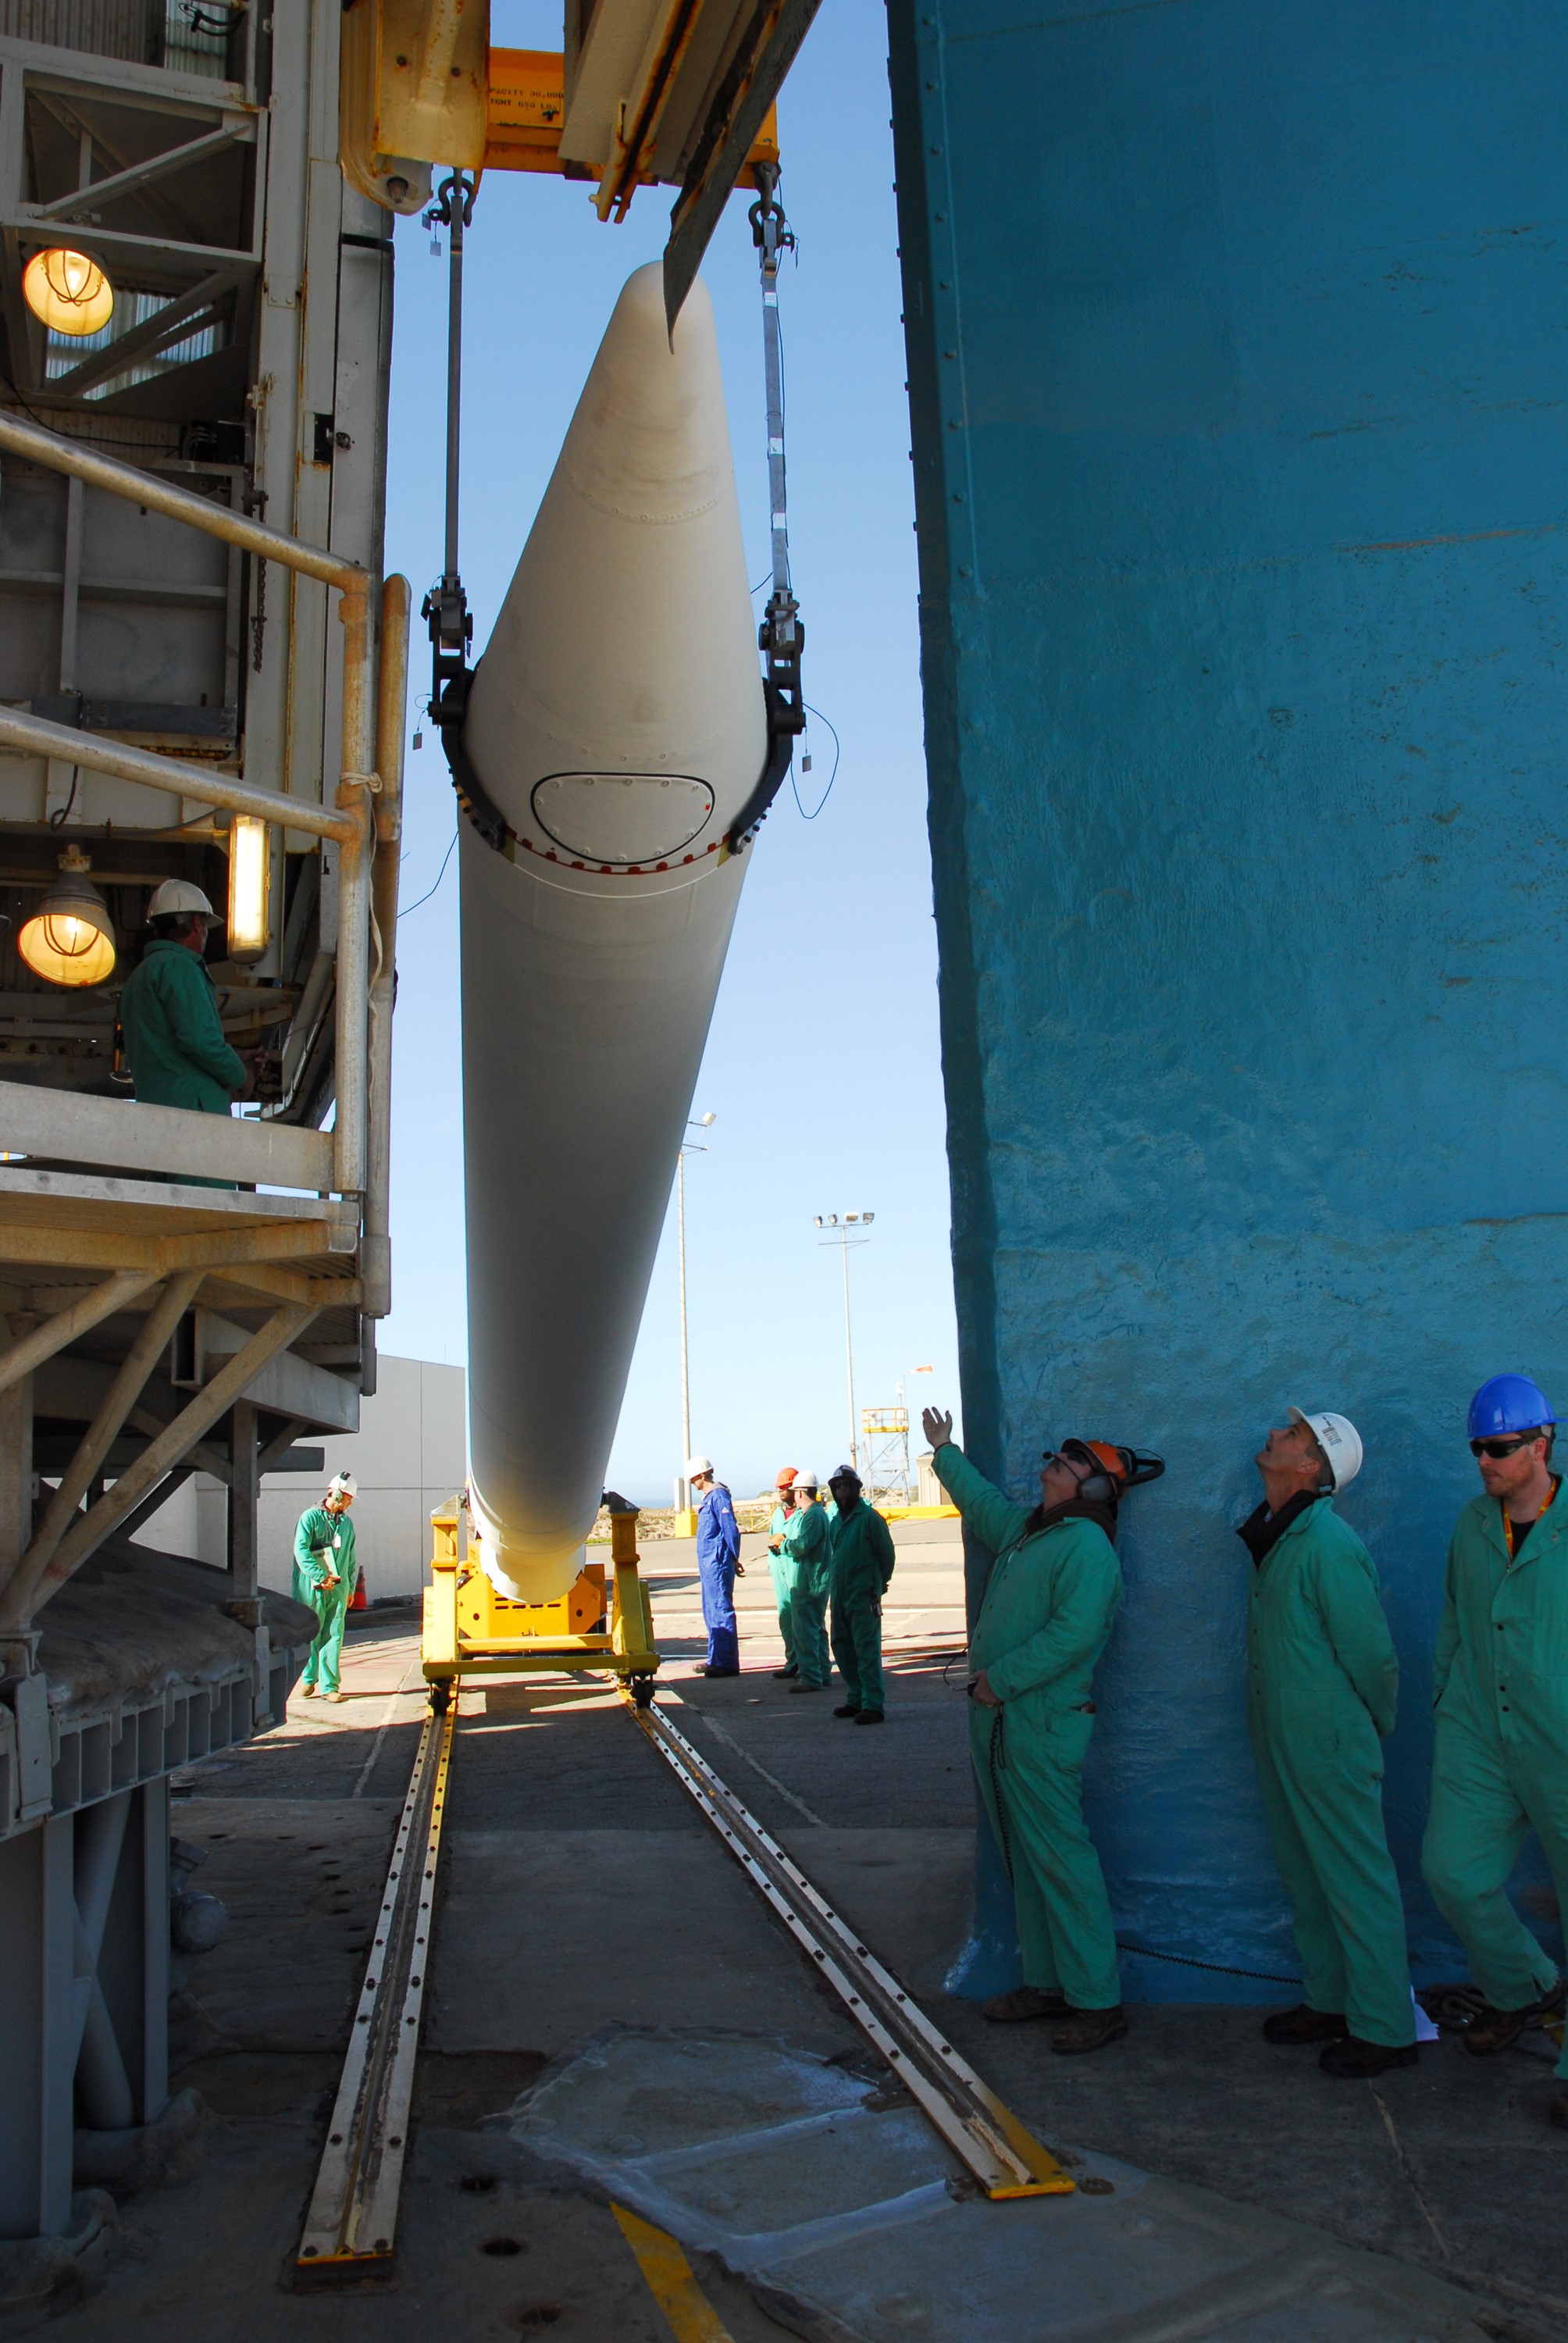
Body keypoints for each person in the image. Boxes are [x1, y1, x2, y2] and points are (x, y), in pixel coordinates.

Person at [924, 1405, 1163, 2054]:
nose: (1062, 1460)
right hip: (1005, 1724)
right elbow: (981, 1503)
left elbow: (1074, 1635)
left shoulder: (1088, 1546)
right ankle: (1047, 1982)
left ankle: (1098, 2000)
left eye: (1078, 1461)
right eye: (1065, 1454)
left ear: (1094, 1489)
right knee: (1025, 1859)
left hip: (1040, 1723)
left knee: (1061, 1861)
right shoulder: (1034, 1529)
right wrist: (945, 1451)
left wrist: (1000, 1679)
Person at [1239, 1407, 1415, 2079]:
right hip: (1286, 1740)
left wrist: (1369, 1728)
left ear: (1312, 1467)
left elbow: (1373, 1657)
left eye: (1295, 1436)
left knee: (1355, 1881)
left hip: (1331, 1744)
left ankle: (1384, 2027)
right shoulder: (1281, 1538)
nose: (1277, 1434)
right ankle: (1332, 2000)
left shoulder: (1328, 1544)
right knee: (1307, 1876)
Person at [1420, 1375, 1568, 2128]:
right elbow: (1454, 1614)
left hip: (1559, 1740)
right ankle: (1522, 1988)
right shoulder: (1472, 1525)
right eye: (1478, 1448)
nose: (1484, 1461)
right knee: (1453, 1870)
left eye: (1500, 1449)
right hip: (1480, 1730)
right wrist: (1449, 1697)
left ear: (1541, 1446)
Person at [118, 879, 252, 1112]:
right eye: (206, 925)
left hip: (154, 1109)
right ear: (198, 923)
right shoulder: (180, 967)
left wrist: (233, 1057)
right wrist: (240, 1075)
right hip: (191, 1110)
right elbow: (200, 1043)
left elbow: (166, 1048)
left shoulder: (138, 978)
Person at [826, 1464, 896, 1724]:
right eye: (838, 1486)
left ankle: (873, 1704)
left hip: (864, 1595)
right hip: (841, 1595)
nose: (842, 1490)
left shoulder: (870, 1519)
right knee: (842, 1646)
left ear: (856, 1488)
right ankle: (855, 1697)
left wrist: (879, 1585)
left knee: (866, 1650)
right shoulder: (836, 1523)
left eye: (846, 1485)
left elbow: (886, 1556)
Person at [292, 1471, 357, 1703]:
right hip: (312, 1587)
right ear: (338, 1494)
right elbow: (301, 1551)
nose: (350, 1503)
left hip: (338, 1589)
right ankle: (309, 1679)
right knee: (311, 1633)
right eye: (349, 1497)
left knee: (333, 1634)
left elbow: (350, 1557)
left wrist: (350, 1588)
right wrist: (321, 1575)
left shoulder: (347, 1525)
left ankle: (329, 1686)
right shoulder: (309, 1518)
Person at [687, 1455, 741, 1677]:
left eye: (693, 1479)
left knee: (720, 1610)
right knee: (711, 1611)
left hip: (718, 1562)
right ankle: (715, 1658)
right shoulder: (709, 1498)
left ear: (702, 1475)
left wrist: (734, 1557)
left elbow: (730, 1528)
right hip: (709, 1564)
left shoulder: (718, 1496)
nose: (692, 1483)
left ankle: (726, 1662)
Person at [784, 1471, 832, 1692]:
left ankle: (811, 1677)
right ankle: (822, 1672)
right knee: (817, 1628)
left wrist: (783, 1544)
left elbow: (802, 1546)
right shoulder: (819, 1514)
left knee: (805, 1631)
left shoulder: (812, 1516)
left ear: (800, 1492)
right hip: (817, 1580)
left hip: (809, 1582)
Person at [767, 1467, 800, 1679]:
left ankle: (809, 1664)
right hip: (780, 1571)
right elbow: (773, 1536)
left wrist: (784, 1544)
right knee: (786, 1620)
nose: (781, 1492)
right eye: (779, 1488)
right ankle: (792, 1662)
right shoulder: (778, 1514)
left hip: (798, 1572)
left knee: (803, 1622)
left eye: (785, 1488)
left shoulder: (806, 1514)